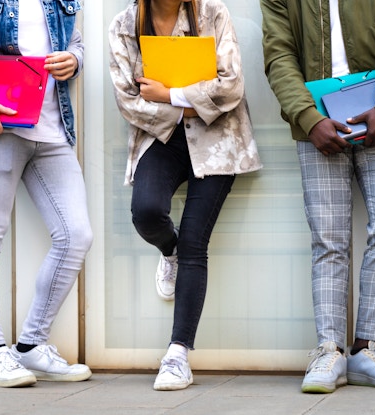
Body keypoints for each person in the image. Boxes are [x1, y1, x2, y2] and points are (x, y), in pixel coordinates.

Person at [260, 0, 375, 393]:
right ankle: (328, 350)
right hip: (316, 124)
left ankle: (367, 349)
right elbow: (278, 54)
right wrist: (308, 118)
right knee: (329, 238)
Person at [108, 0, 262, 391]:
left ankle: (177, 355)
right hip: (159, 140)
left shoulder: (213, 13)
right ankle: (168, 251)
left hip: (218, 141)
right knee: (146, 212)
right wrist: (186, 107)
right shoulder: (125, 25)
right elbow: (128, 99)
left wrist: (171, 94)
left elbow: (231, 86)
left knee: (196, 242)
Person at [0, 0, 93, 388]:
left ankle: (31, 344)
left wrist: (74, 60)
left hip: (51, 131)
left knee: (75, 235)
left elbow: (75, 42)